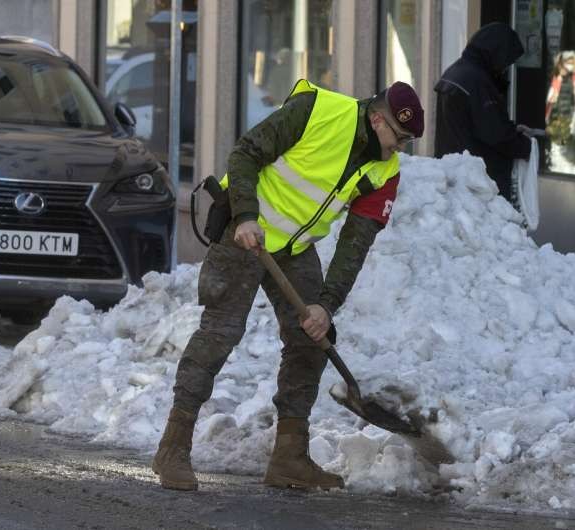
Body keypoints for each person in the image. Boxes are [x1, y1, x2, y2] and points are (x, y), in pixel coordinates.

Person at [152, 79, 424, 491]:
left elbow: (355, 245)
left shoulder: (385, 172)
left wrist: (326, 305)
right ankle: (173, 446)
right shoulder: (316, 110)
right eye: (399, 138)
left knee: (313, 338)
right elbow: (245, 153)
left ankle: (289, 456)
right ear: (377, 119)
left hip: (294, 249)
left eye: (406, 142)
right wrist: (245, 215)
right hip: (245, 233)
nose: (399, 149)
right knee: (220, 333)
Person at [434, 22, 533, 201]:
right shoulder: (477, 81)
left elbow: (478, 122)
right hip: (479, 183)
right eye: (506, 62)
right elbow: (495, 133)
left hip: (454, 173)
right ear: (497, 54)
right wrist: (526, 146)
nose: (505, 68)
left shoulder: (456, 72)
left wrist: (512, 131)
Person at [545, 50, 575, 122]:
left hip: (568, 116)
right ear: (562, 63)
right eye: (568, 63)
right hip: (555, 116)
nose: (570, 66)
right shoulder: (555, 79)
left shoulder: (574, 79)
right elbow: (550, 100)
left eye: (572, 63)